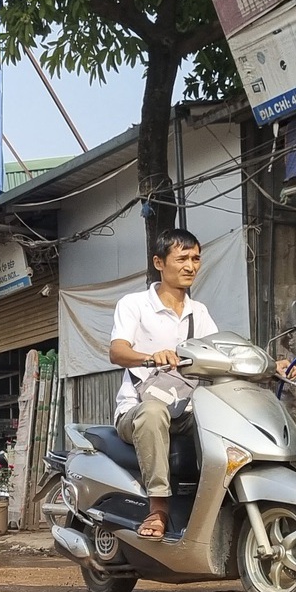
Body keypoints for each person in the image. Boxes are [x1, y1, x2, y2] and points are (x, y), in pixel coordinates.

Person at [109, 229, 218, 539]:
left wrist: (269, 365)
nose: (190, 266)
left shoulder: (201, 313)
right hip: (138, 409)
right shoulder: (134, 304)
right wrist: (149, 357)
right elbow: (117, 351)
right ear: (159, 262)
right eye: (181, 258)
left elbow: (219, 353)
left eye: (196, 258)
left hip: (185, 410)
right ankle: (158, 508)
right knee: (154, 412)